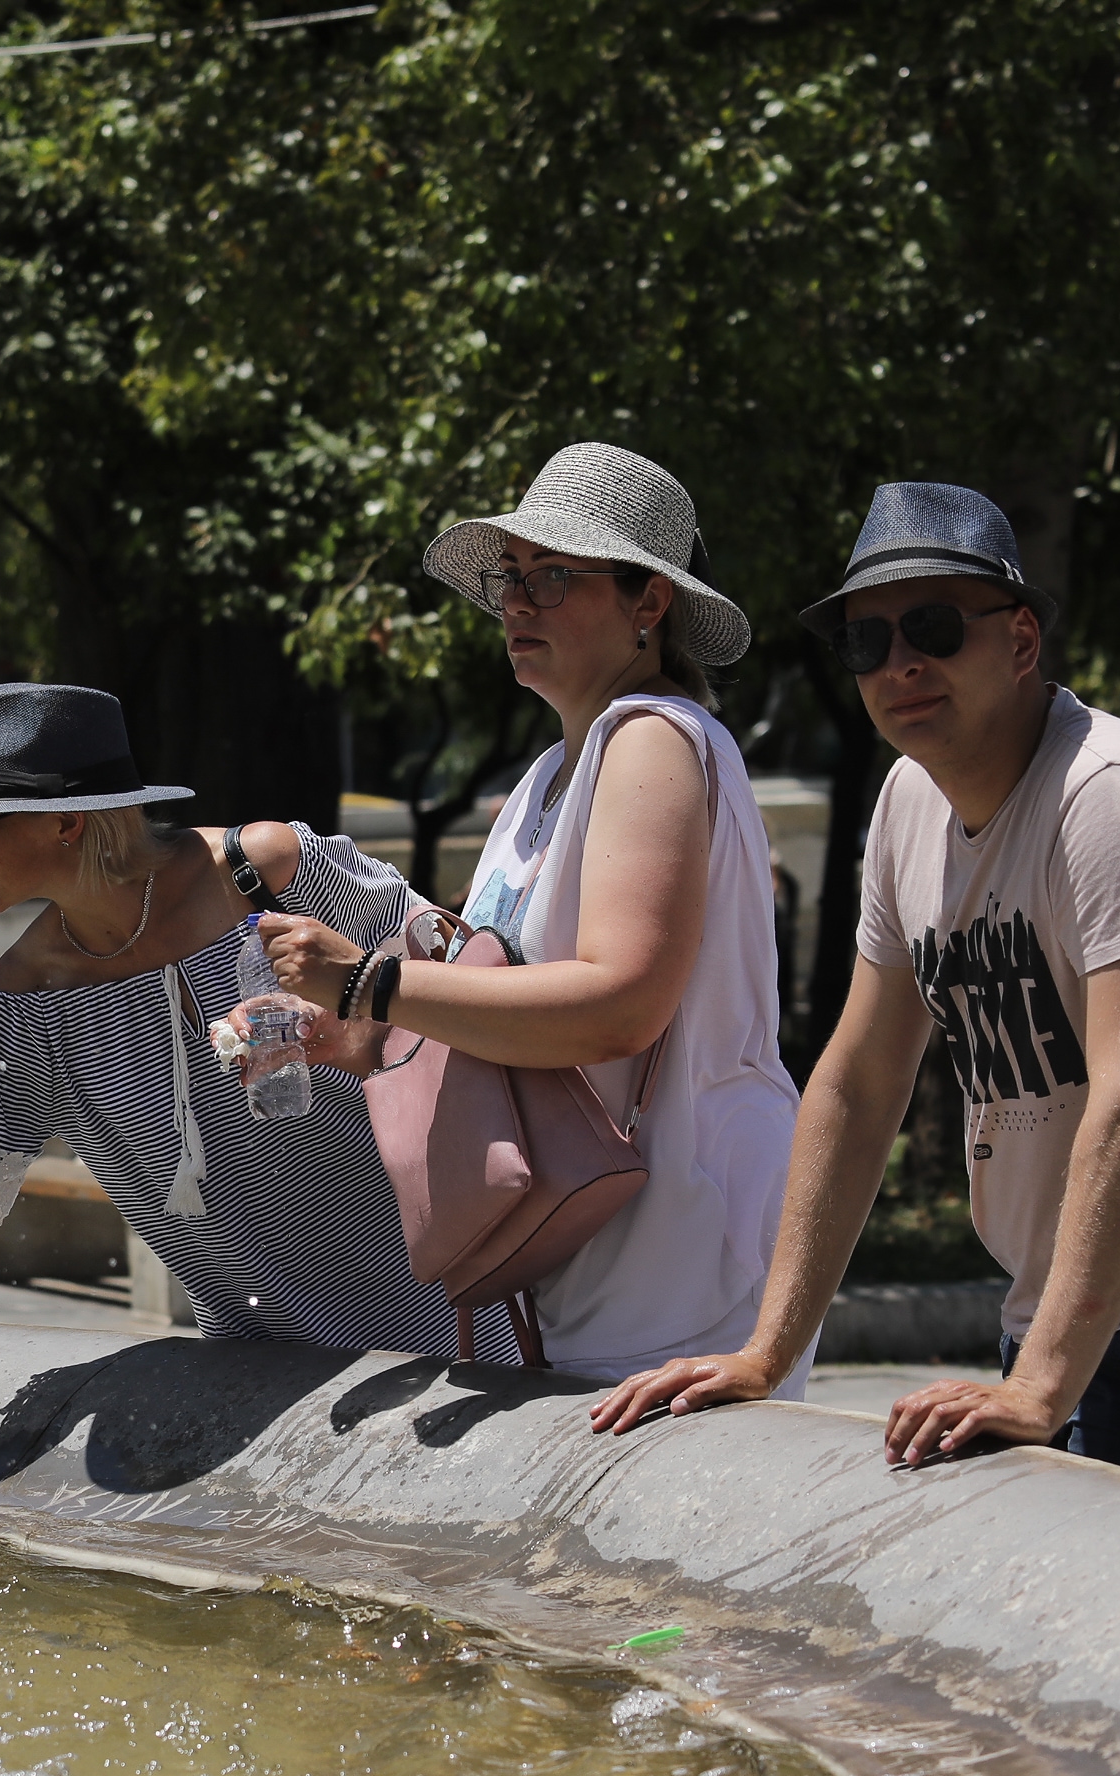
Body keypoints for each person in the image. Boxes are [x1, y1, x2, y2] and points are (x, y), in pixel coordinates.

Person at [593, 482, 1120, 1508]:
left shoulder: (1110, 796)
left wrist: (1039, 1384)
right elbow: (858, 1085)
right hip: (1062, 1311)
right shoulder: (909, 801)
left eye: (935, 628)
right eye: (867, 643)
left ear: (1022, 639)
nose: (901, 665)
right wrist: (766, 1351)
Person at [0, 683, 459, 1508]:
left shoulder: (270, 872)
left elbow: (475, 994)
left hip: (472, 1310)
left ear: (65, 822)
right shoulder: (16, 1005)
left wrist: (357, 1036)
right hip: (267, 1365)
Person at [250, 444, 803, 1384]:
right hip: (585, 1245)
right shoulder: (551, 772)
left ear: (648, 603)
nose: (513, 602)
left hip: (675, 1259)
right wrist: (356, 1029)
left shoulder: (650, 740)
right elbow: (499, 1000)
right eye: (511, 576)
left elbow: (620, 1006)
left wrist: (374, 984)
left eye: (552, 577)